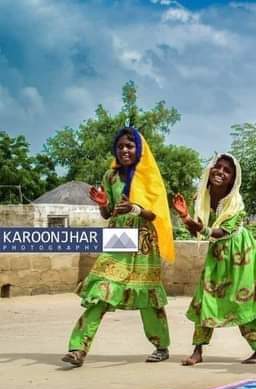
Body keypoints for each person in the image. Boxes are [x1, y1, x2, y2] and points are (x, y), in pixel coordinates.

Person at [62, 127, 174, 367]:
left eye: (130, 146)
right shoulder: (110, 177)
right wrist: (103, 204)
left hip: (144, 239)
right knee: (102, 290)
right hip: (118, 235)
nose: (124, 150)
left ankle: (161, 345)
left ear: (139, 149)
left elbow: (157, 214)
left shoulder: (149, 176)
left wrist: (135, 208)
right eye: (120, 146)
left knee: (147, 294)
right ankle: (78, 348)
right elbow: (108, 213)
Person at [172, 153, 256, 366]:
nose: (220, 172)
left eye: (227, 170)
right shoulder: (201, 197)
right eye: (218, 167)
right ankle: (198, 350)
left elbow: (222, 232)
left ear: (233, 178)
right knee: (206, 297)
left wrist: (194, 224)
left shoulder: (236, 203)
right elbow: (198, 233)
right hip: (217, 254)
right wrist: (186, 217)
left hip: (241, 253)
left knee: (245, 299)